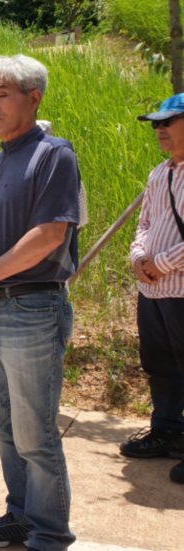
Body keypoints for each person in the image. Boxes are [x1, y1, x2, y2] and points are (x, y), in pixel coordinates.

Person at [0, 55, 80, 550]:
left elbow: (49, 234)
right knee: (4, 425)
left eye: (1, 95)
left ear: (34, 98)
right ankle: (20, 515)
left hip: (31, 307)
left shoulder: (53, 155)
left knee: (35, 433)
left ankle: (49, 532)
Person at [122, 93, 184, 485]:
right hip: (154, 291)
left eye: (167, 122)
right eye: (155, 124)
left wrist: (158, 264)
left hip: (178, 286)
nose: (159, 129)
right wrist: (138, 258)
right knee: (159, 364)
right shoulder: (160, 173)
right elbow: (145, 223)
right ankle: (166, 430)